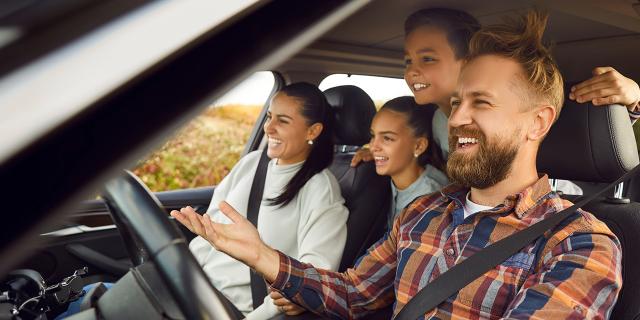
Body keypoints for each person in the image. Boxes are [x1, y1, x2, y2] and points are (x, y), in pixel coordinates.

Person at [172, 11, 623, 318]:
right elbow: (352, 295)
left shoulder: (578, 245)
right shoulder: (424, 213)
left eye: (481, 102)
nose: (460, 117)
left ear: (537, 122)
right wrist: (261, 256)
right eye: (458, 101)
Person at [351, 7, 640, 195]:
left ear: (467, 63)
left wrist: (634, 100)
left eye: (428, 58)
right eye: (456, 104)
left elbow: (574, 136)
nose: (458, 119)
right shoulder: (432, 119)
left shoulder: (524, 121)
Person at [173, 82, 348, 319]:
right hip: (195, 291)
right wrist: (177, 274)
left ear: (312, 131)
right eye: (269, 117)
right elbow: (209, 230)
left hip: (235, 311)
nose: (269, 127)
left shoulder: (320, 189)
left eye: (283, 121)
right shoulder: (251, 163)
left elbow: (314, 277)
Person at [370, 96, 448, 228]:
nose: (373, 147)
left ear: (419, 146)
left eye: (387, 138)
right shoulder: (396, 179)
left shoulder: (431, 201)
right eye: (373, 136)